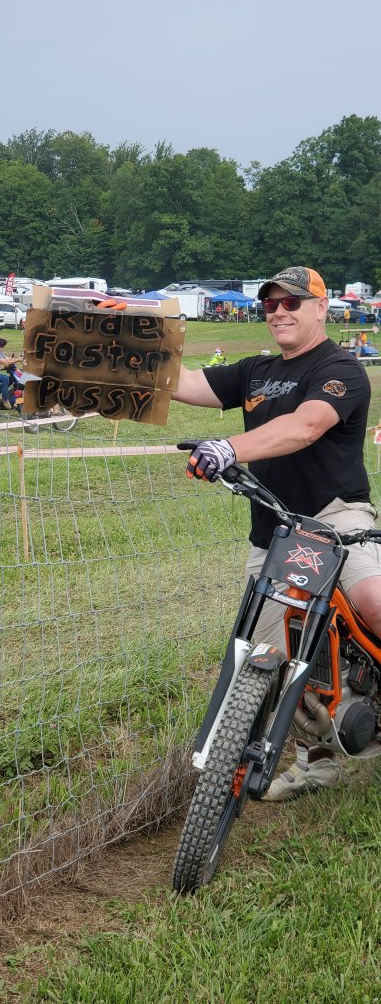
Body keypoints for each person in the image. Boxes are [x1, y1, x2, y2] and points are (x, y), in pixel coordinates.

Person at [172, 265, 381, 801]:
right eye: (271, 304)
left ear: (321, 308)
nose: (279, 312)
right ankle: (316, 763)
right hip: (276, 533)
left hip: (335, 517)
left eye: (292, 302)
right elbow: (186, 383)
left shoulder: (341, 368)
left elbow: (306, 426)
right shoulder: (255, 371)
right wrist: (122, 360)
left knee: (374, 602)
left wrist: (229, 448)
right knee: (270, 658)